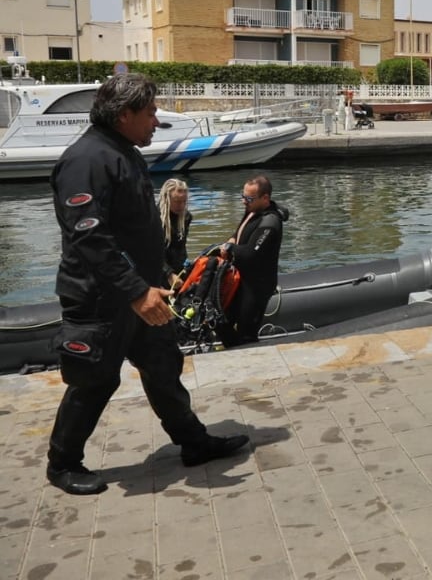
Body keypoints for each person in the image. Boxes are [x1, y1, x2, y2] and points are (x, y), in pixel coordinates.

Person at [45, 74, 249, 496]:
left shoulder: (122, 152)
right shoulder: (86, 160)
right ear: (124, 115)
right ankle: (62, 464)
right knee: (95, 379)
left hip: (144, 292)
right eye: (151, 112)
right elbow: (89, 236)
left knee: (162, 367)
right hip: (103, 297)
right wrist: (135, 290)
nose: (157, 121)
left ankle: (193, 443)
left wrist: (151, 284)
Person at [218, 174, 287, 347]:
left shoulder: (270, 222)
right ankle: (232, 351)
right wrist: (231, 241)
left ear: (265, 198)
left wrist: (230, 249)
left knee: (246, 333)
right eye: (243, 196)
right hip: (241, 280)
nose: (244, 201)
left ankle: (247, 359)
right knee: (220, 321)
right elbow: (239, 234)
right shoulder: (252, 211)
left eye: (249, 198)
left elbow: (251, 253)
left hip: (257, 286)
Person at [159, 178, 192, 290]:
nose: (182, 206)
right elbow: (151, 252)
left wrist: (187, 269)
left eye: (184, 201)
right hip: (159, 270)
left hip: (179, 268)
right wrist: (168, 273)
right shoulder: (154, 219)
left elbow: (181, 247)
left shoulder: (186, 217)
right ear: (166, 198)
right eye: (177, 201)